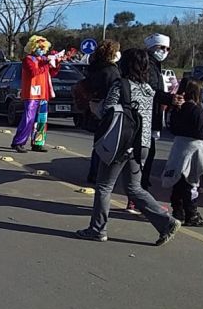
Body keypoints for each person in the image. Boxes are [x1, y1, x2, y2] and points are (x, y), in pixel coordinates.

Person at [76, 48, 181, 246]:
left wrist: (94, 107)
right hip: (143, 143)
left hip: (121, 142)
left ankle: (97, 229)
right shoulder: (147, 88)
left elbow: (107, 111)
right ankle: (166, 222)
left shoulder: (121, 85)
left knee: (104, 186)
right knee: (134, 188)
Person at [163, 78, 203, 227]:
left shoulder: (176, 108)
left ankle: (178, 211)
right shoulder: (196, 109)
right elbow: (201, 132)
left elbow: (171, 127)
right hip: (194, 150)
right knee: (192, 182)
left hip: (179, 147)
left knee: (178, 181)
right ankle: (191, 214)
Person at [139, 33, 179, 190]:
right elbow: (151, 91)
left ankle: (141, 187)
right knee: (145, 154)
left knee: (148, 153)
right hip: (146, 116)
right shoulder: (148, 66)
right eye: (162, 48)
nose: (165, 51)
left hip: (153, 115)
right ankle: (139, 190)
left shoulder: (155, 66)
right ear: (152, 48)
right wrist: (169, 99)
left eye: (168, 48)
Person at [11, 35, 62, 153]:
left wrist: (57, 63)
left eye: (44, 48)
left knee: (41, 119)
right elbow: (34, 72)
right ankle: (18, 142)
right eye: (40, 48)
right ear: (33, 48)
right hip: (31, 93)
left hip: (43, 93)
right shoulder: (28, 59)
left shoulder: (43, 59)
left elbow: (52, 73)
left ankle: (38, 143)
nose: (42, 50)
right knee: (28, 118)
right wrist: (45, 64)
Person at [81, 40, 122, 183]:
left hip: (94, 106)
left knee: (98, 143)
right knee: (106, 144)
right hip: (106, 108)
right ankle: (99, 175)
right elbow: (114, 90)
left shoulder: (94, 68)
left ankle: (93, 173)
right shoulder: (111, 70)